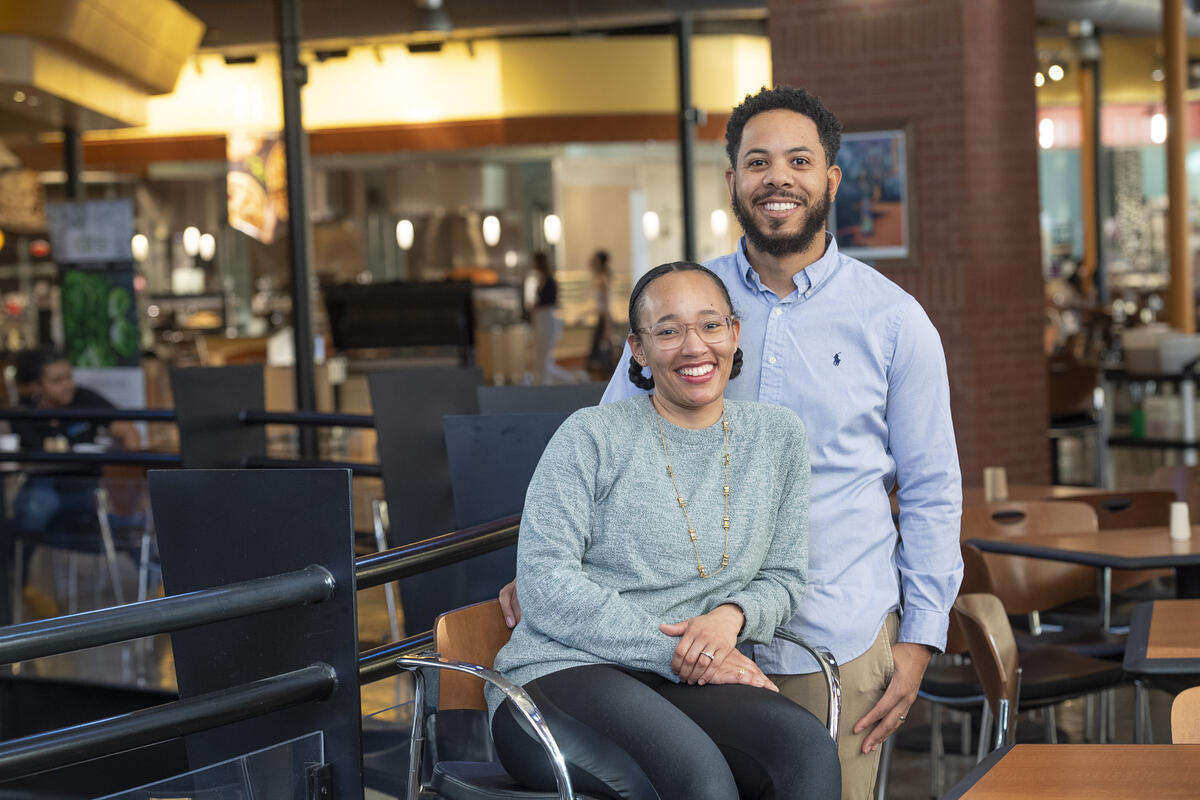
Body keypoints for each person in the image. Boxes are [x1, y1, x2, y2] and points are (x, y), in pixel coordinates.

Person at [503, 86, 962, 799]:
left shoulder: (894, 321)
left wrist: (920, 637)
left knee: (811, 777)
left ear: (831, 179)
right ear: (733, 181)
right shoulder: (685, 300)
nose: (778, 178)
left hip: (832, 632)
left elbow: (932, 488)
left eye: (799, 161)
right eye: (758, 162)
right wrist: (553, 575)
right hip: (668, 638)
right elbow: (612, 444)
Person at [489, 262, 839, 800]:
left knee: (805, 751)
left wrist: (732, 616)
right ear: (639, 349)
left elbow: (784, 577)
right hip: (561, 673)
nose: (695, 347)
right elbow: (545, 583)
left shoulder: (777, 438)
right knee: (699, 781)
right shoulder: (591, 434)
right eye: (669, 331)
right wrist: (683, 654)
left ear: (734, 333)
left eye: (711, 325)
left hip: (682, 681)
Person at [10, 348, 141, 611]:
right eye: (57, 380)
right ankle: (22, 587)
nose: (67, 385)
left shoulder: (85, 399)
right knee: (32, 509)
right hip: (42, 491)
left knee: (132, 523)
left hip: (84, 492)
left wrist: (124, 482)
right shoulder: (22, 412)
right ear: (37, 386)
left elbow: (130, 433)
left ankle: (164, 587)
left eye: (68, 377)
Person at [529, 251, 574, 384]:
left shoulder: (549, 280)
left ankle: (569, 380)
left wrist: (537, 307)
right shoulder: (541, 279)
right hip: (541, 319)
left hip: (547, 320)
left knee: (544, 358)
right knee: (542, 358)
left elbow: (551, 302)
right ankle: (548, 381)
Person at [586, 249, 615, 377]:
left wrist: (607, 328)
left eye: (594, 260)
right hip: (602, 318)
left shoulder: (602, 279)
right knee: (599, 352)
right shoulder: (599, 278)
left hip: (604, 319)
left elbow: (606, 304)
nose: (591, 262)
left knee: (600, 352)